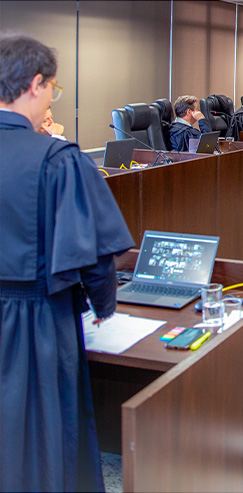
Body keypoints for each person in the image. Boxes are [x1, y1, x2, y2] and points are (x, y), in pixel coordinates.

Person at [0, 33, 134, 491]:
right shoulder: (57, 159)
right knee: (40, 433)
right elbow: (96, 256)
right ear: (35, 84)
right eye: (52, 89)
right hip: (35, 320)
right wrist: (104, 307)